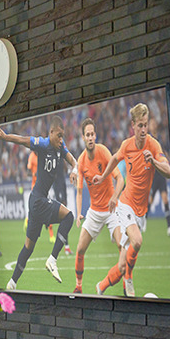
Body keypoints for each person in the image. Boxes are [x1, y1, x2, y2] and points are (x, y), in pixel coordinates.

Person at [92, 103, 170, 297]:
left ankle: (101, 286)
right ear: (133, 126)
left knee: (121, 266)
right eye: (140, 125)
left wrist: (154, 161)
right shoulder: (126, 145)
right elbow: (114, 159)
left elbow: (169, 172)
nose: (144, 129)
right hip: (125, 204)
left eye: (146, 125)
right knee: (137, 241)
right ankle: (129, 278)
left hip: (140, 212)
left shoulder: (153, 145)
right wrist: (103, 177)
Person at [0, 117, 77, 290]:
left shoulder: (60, 147)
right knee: (69, 217)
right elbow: (23, 140)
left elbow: (72, 159)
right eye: (59, 136)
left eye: (63, 136)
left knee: (28, 248)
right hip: (38, 200)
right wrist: (6, 137)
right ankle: (52, 259)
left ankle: (12, 283)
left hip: (35, 202)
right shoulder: (43, 144)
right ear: (51, 132)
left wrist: (75, 169)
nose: (61, 140)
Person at [73, 117, 124, 293]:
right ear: (83, 137)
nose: (90, 137)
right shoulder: (81, 161)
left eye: (92, 134)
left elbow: (120, 179)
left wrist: (115, 197)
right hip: (94, 212)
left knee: (122, 247)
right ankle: (78, 287)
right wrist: (79, 213)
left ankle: (113, 286)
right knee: (80, 249)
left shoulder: (104, 152)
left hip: (112, 210)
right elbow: (79, 192)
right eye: (87, 135)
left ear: (95, 135)